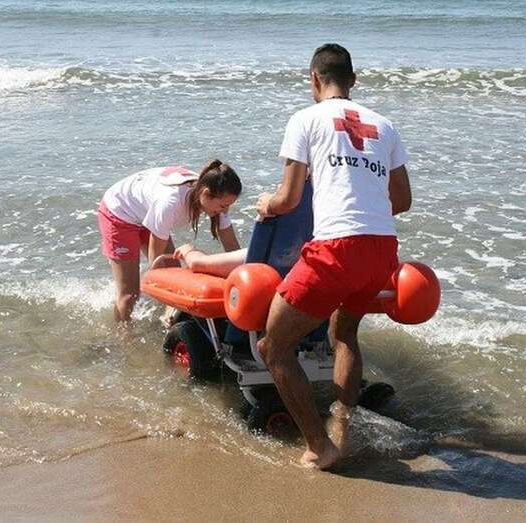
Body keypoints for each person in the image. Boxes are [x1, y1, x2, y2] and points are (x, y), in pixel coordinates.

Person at [254, 44, 412, 470]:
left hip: (336, 250)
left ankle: (320, 447)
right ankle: (342, 426)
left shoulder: (305, 119)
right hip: (382, 250)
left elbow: (288, 199)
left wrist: (267, 203)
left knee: (274, 346)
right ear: (353, 81)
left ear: (314, 80)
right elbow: (402, 200)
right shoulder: (384, 125)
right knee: (344, 333)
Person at [98, 160, 242, 321]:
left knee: (175, 276)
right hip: (120, 211)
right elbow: (156, 261)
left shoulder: (214, 197)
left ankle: (169, 320)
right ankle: (125, 339)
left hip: (147, 211)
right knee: (129, 294)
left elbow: (233, 248)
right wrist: (158, 287)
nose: (225, 210)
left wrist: (241, 280)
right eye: (223, 206)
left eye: (229, 205)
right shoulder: (171, 203)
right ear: (206, 193)